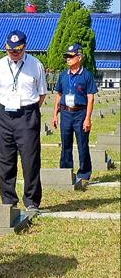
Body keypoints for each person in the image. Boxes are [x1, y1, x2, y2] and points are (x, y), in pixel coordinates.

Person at [0, 30, 46, 213]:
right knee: (5, 158)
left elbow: (41, 94)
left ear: (25, 47)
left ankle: (31, 200)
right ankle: (8, 199)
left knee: (30, 159)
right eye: (10, 50)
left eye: (17, 50)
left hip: (27, 115)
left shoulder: (35, 65)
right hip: (6, 114)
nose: (14, 54)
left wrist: (26, 108)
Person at [52, 44, 97, 190]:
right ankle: (65, 170)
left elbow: (90, 98)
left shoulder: (87, 75)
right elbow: (59, 94)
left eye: (71, 56)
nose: (68, 59)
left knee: (82, 144)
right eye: (67, 56)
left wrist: (87, 118)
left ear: (79, 57)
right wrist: (55, 114)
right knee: (66, 144)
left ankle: (84, 173)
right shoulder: (63, 75)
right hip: (65, 112)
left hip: (80, 112)